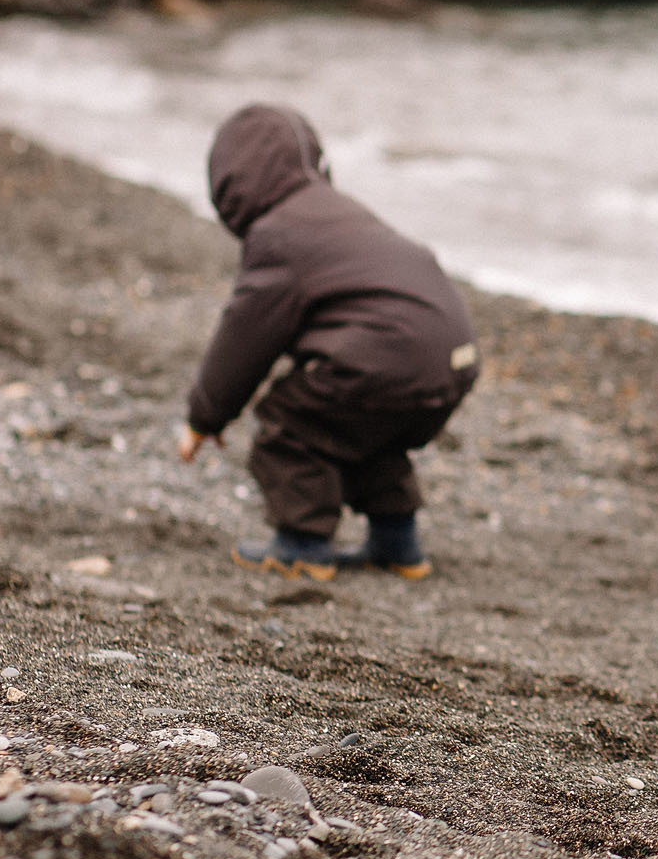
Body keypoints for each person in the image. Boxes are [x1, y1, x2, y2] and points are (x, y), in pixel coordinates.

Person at [177, 104, 478, 582]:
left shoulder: (279, 234)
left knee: (290, 423)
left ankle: (302, 545)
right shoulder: (340, 213)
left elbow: (246, 334)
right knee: (368, 435)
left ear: (232, 184)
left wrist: (205, 415)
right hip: (454, 355)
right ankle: (398, 544)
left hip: (389, 357)